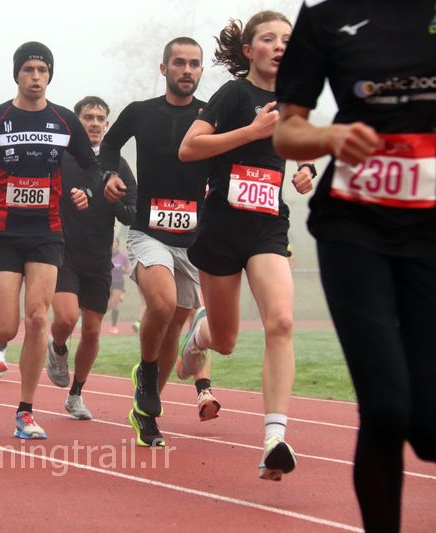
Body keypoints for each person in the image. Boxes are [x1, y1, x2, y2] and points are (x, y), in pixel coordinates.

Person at [273, 1, 435, 529]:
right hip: (354, 229)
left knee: (429, 430)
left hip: (430, 233)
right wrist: (331, 137)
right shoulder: (324, 15)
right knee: (385, 407)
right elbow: (287, 132)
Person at [177, 11, 314, 479]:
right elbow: (189, 148)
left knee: (282, 321)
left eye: (287, 40)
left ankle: (274, 438)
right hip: (221, 227)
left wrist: (306, 170)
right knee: (226, 341)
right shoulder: (234, 94)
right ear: (249, 50)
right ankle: (200, 335)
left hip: (267, 227)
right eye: (269, 39)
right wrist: (252, 131)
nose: (279, 46)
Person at [0, 41, 96, 439]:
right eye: (28, 69)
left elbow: (92, 166)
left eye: (42, 70)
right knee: (5, 330)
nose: (36, 77)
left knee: (39, 318)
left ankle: (25, 412)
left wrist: (86, 191)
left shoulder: (64, 120)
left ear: (50, 76)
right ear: (17, 74)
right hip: (4, 233)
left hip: (46, 231)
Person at [100, 37, 211, 446]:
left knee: (176, 323)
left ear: (201, 70)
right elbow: (110, 144)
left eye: (194, 64)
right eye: (179, 62)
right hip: (148, 230)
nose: (187, 70)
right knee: (162, 304)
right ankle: (147, 373)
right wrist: (109, 174)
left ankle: (146, 414)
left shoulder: (211, 115)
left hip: (193, 239)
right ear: (164, 68)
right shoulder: (140, 111)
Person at [45, 95, 136, 421]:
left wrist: (113, 201)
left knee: (93, 331)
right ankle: (57, 348)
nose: (95, 123)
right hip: (63, 252)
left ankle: (76, 395)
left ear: (107, 125)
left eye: (100, 118)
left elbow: (131, 213)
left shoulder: (118, 165)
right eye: (88, 117)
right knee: (66, 319)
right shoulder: (62, 158)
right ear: (76, 122)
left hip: (99, 259)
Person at [108, 237, 129, 334]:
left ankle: (113, 327)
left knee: (114, 305)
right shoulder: (106, 255)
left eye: (115, 242)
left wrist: (124, 270)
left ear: (118, 244)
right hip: (107, 282)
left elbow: (128, 270)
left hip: (118, 282)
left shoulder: (122, 257)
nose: (113, 244)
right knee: (105, 305)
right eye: (112, 242)